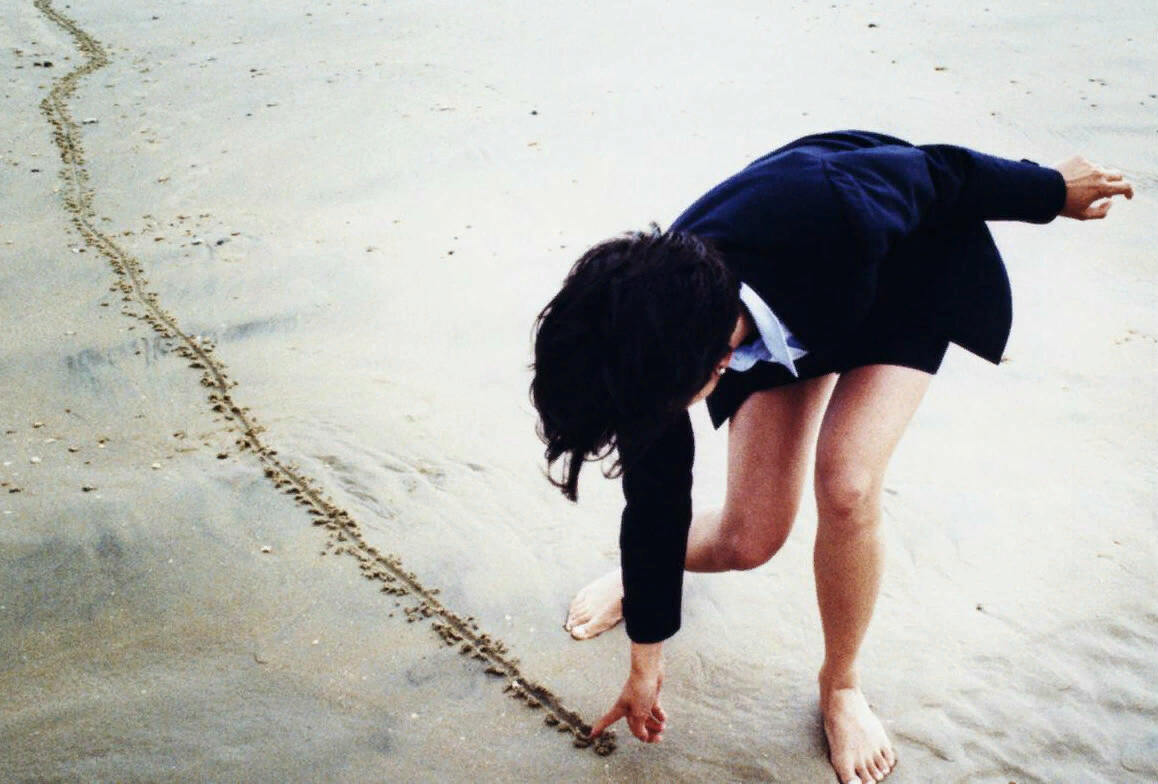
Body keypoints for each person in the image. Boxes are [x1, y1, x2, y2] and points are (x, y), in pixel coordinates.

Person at [529, 130, 1133, 784]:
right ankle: (639, 576)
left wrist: (1050, 189)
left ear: (715, 364)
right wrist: (645, 663)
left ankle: (841, 685)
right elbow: (656, 501)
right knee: (747, 538)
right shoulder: (644, 351)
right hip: (771, 316)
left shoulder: (825, 202)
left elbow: (940, 173)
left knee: (847, 482)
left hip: (900, 275)